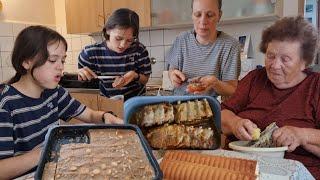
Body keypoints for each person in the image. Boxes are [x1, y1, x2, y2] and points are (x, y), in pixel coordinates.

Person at [0, 26, 123, 179]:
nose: (61, 67)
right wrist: (45, 152)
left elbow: (89, 115)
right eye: (52, 60)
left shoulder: (54, 92)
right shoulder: (6, 104)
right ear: (26, 61)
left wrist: (105, 116)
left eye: (62, 60)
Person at [221, 16, 320, 178]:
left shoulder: (315, 87)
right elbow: (220, 115)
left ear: (304, 62)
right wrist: (234, 123)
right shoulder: (254, 79)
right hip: (237, 169)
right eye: (270, 56)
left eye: (285, 59)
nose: (274, 65)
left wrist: (302, 135)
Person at [166, 0, 241, 97]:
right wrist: (172, 75)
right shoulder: (181, 40)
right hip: (179, 105)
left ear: (219, 15)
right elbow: (172, 70)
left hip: (210, 107)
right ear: (192, 15)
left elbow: (232, 89)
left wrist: (215, 83)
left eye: (210, 15)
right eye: (197, 15)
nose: (203, 21)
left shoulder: (230, 45)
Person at [78, 8, 151, 100]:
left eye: (129, 40)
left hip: (135, 103)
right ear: (108, 30)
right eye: (118, 38)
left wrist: (135, 76)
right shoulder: (89, 54)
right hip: (106, 104)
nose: (123, 45)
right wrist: (79, 76)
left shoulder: (139, 50)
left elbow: (145, 80)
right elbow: (82, 84)